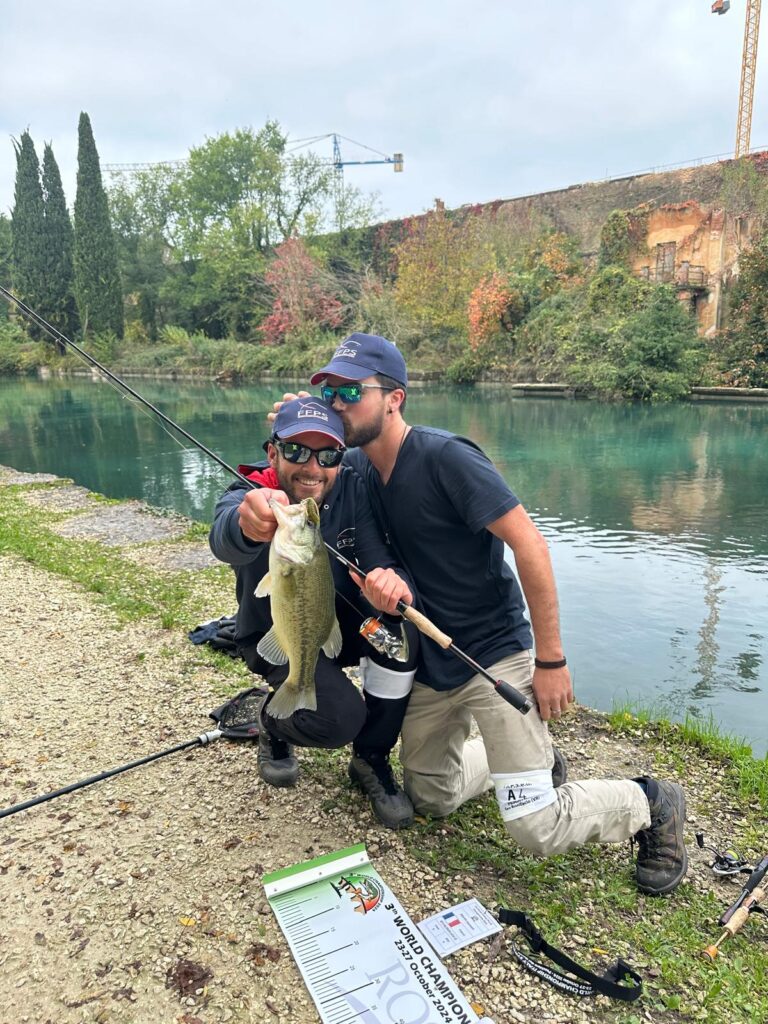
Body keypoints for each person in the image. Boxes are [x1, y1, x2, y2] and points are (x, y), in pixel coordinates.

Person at [270, 333, 688, 896]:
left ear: (394, 398)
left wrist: (551, 659)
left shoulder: (447, 457)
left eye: (350, 391)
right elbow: (299, 476)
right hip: (435, 664)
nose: (338, 403)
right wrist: (292, 424)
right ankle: (518, 760)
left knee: (536, 825)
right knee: (430, 796)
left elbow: (531, 545)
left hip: (497, 656)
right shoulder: (361, 472)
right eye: (330, 391)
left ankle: (650, 801)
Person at [209, 397, 418, 830]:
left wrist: (393, 582)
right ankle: (272, 724)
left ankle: (371, 760)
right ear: (272, 452)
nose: (312, 467)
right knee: (340, 720)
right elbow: (225, 536)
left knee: (403, 642)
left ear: (341, 458)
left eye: (327, 455)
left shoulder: (352, 486)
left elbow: (380, 555)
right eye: (295, 451)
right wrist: (245, 527)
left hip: (338, 627)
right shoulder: (249, 494)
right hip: (280, 638)